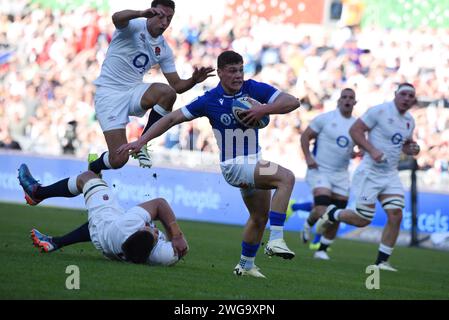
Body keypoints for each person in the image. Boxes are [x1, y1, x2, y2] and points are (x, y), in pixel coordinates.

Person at [117, 50, 301, 278]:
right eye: (232, 71)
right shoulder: (210, 100)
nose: (238, 76)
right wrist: (142, 140)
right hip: (234, 165)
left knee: (259, 217)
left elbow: (292, 101)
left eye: (241, 70)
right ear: (221, 72)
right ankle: (276, 240)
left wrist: (262, 108)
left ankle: (245, 266)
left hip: (254, 162)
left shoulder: (253, 89)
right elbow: (173, 118)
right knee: (286, 178)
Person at [88, 0, 214, 174]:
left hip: (133, 91)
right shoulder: (133, 26)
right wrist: (141, 13)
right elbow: (116, 18)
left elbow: (177, 86)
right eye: (160, 16)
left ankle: (143, 143)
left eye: (169, 18)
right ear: (151, 12)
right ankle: (94, 164)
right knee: (119, 159)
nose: (164, 23)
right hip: (109, 95)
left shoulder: (164, 49)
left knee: (167, 94)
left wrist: (193, 80)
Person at [316, 83, 420, 271]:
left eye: (410, 96)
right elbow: (355, 130)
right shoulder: (379, 111)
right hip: (369, 173)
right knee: (363, 220)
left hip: (390, 174)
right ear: (395, 95)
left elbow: (404, 145)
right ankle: (332, 213)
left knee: (396, 215)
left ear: (414, 100)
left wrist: (412, 148)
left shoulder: (410, 121)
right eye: (403, 94)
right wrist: (371, 150)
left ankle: (381, 262)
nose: (406, 98)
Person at [18, 163, 189, 266]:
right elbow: (182, 250)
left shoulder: (128, 224)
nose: (154, 229)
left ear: (135, 230)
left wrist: (177, 234)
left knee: (87, 177)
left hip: (109, 230)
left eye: (149, 229)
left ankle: (37, 193)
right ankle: (55, 242)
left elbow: (160, 204)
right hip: (104, 244)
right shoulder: (162, 256)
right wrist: (177, 241)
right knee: (98, 223)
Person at [300, 88, 358, 260]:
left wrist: (355, 153)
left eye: (351, 98)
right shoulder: (325, 119)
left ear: (355, 102)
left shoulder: (357, 125)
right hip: (320, 171)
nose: (347, 100)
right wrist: (308, 157)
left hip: (341, 174)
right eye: (344, 97)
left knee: (337, 215)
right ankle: (309, 223)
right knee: (322, 210)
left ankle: (322, 250)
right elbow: (305, 137)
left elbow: (358, 146)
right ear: (339, 101)